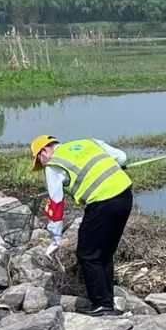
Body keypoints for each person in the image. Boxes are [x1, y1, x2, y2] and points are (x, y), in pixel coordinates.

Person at [31, 134, 133, 317]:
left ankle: (102, 305)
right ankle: (107, 302)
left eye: (40, 160)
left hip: (103, 202)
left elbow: (56, 204)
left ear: (45, 150)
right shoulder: (88, 143)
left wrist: (55, 240)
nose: (42, 165)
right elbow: (121, 157)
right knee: (104, 252)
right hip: (125, 195)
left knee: (87, 254)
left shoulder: (53, 165)